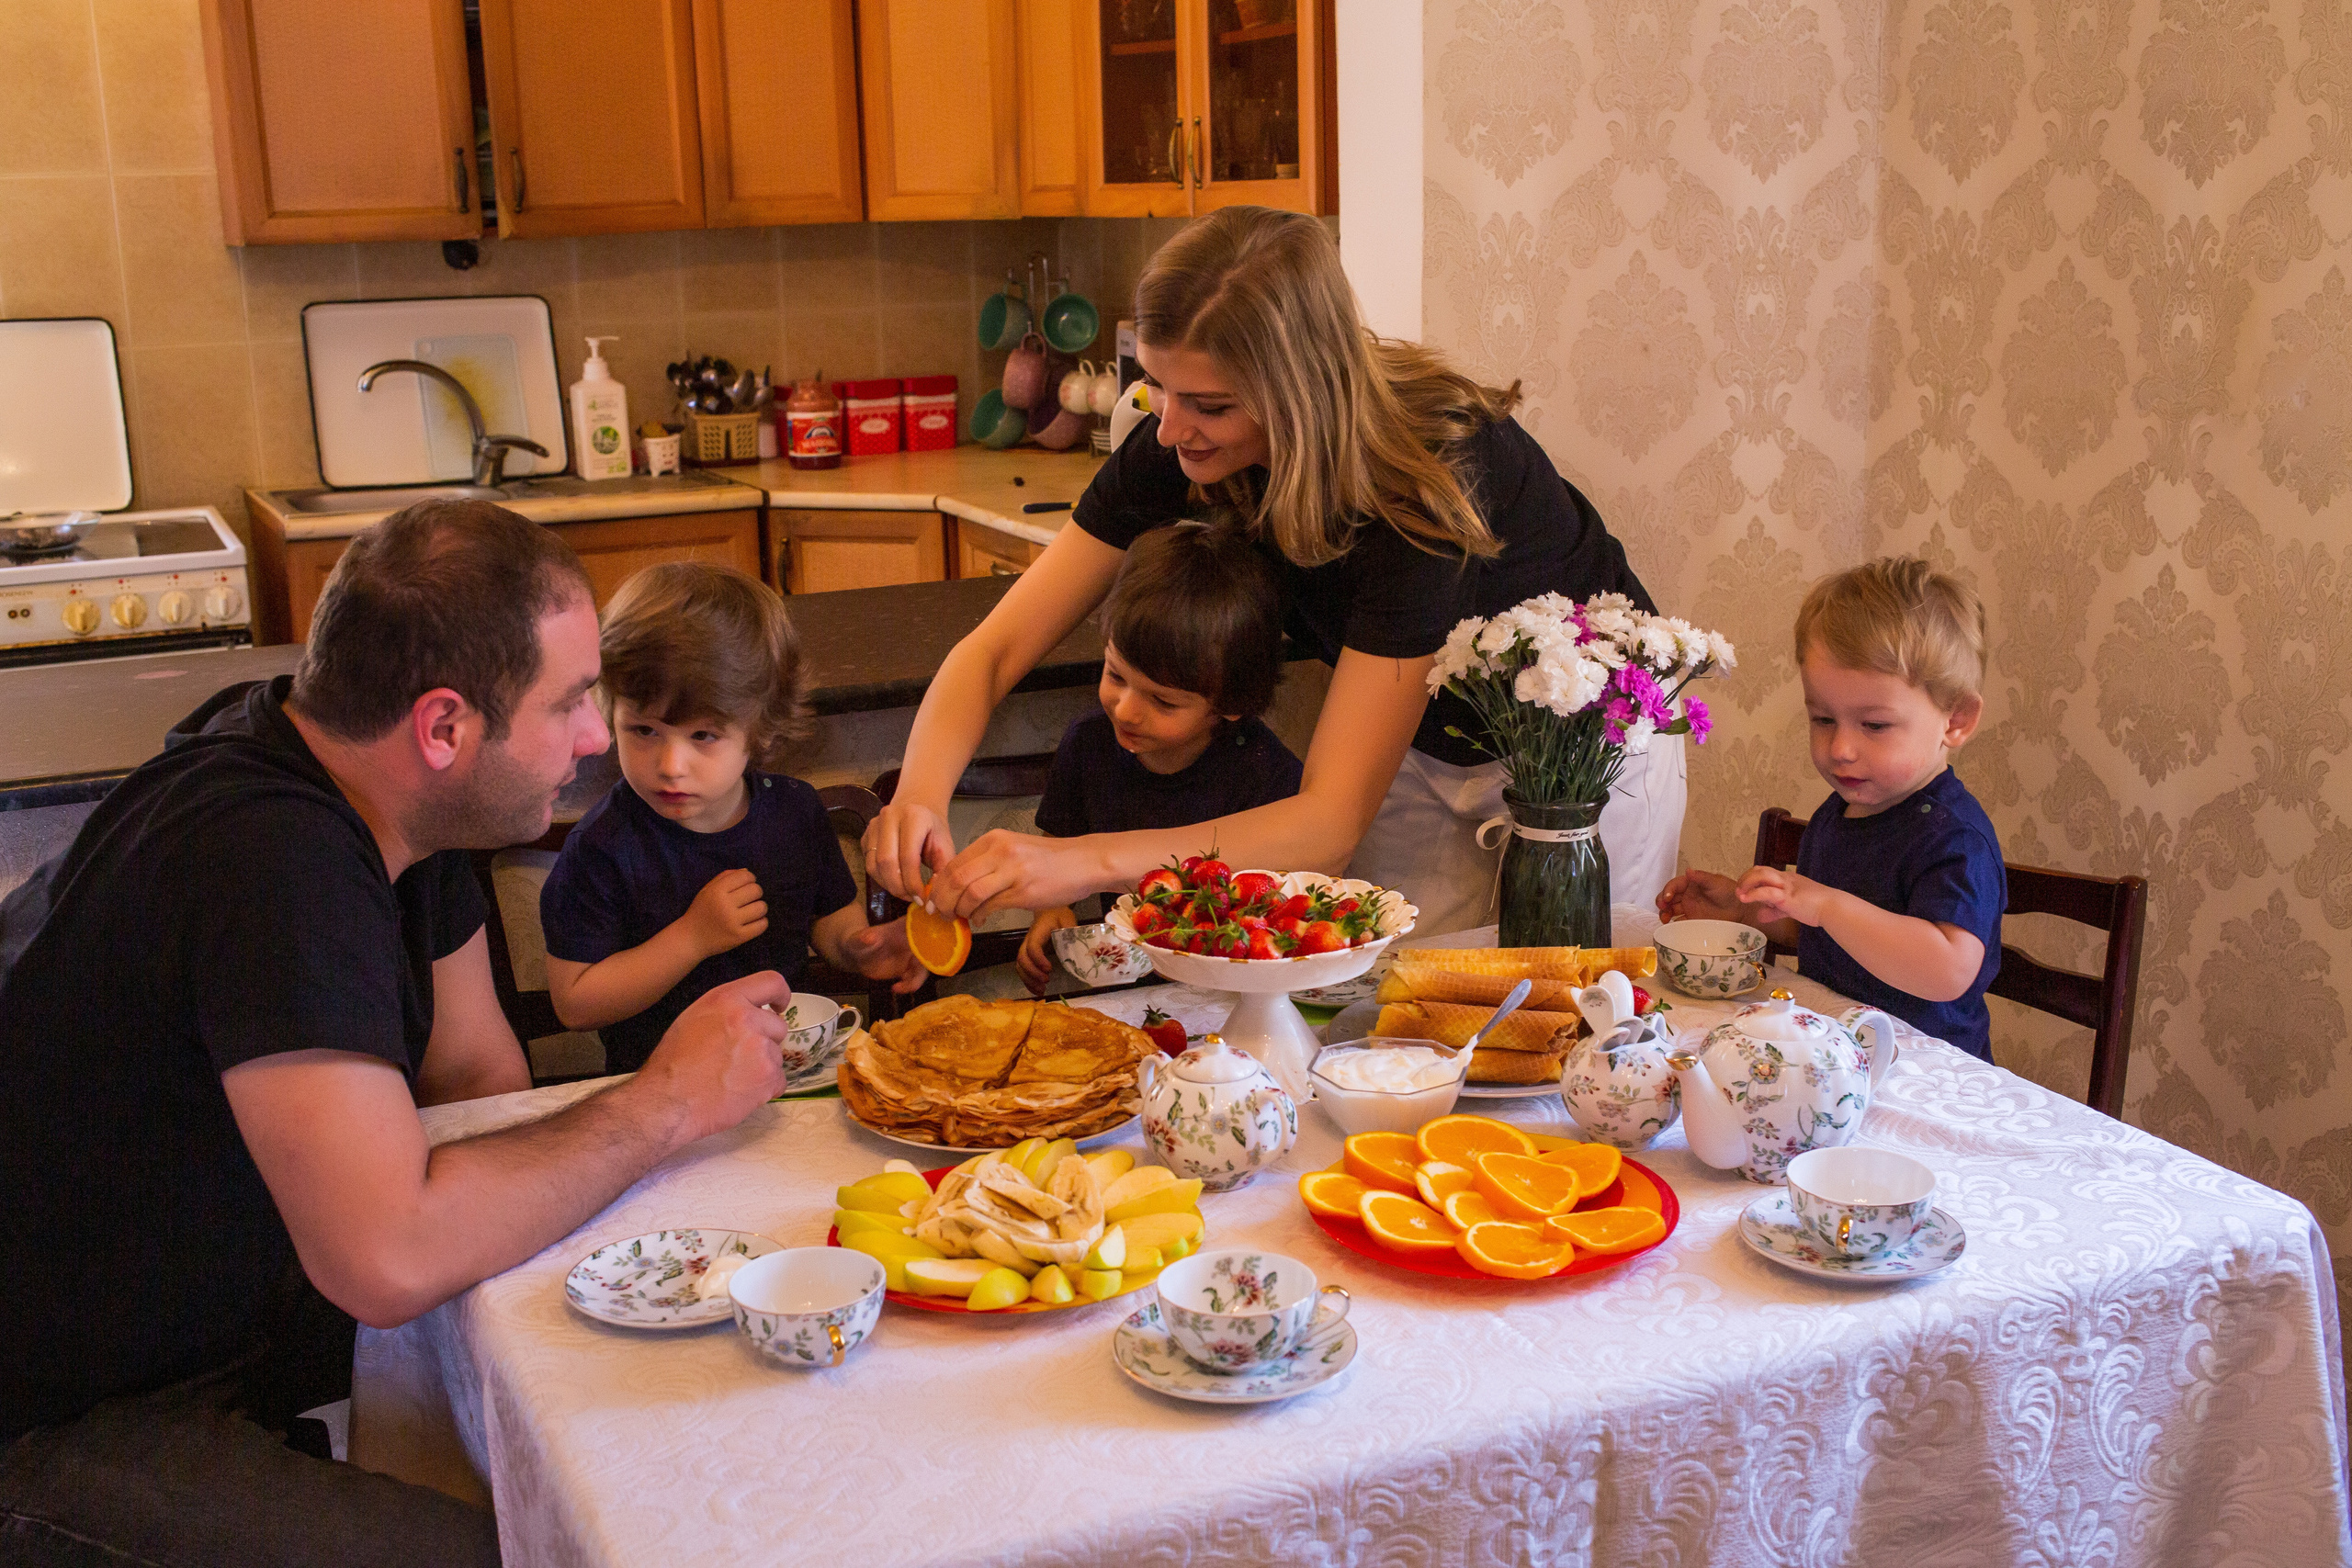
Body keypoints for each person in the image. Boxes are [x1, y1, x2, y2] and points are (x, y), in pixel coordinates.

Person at [0, 501, 795, 1566]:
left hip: (211, 1323)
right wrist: (667, 1101)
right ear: (442, 728)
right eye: (568, 704)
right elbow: (386, 1254)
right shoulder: (274, 863)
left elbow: (475, 1079)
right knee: (513, 1552)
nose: (598, 736)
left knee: (656, 1454)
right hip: (59, 1414)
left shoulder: (374, 796)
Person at [865, 206, 1680, 937]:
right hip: (1424, 745)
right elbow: (995, 650)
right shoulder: (1178, 442)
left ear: (1301, 392)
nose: (1171, 428)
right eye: (1157, 387)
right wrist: (921, 795)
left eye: (1210, 405)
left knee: (1579, 1021)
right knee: (1390, 1008)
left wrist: (1082, 859)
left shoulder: (1424, 478)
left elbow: (1327, 820)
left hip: (1589, 752)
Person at [540, 562, 923, 1069]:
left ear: (760, 731)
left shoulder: (794, 814)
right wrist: (692, 938)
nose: (670, 766)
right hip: (659, 1093)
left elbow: (833, 930)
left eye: (703, 736)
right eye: (643, 731)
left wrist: (866, 950)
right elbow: (575, 1002)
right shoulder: (602, 847)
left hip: (787, 1078)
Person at [1656, 558, 2006, 1061]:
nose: (1841, 748)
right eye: (1823, 718)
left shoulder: (1954, 837)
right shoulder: (1838, 813)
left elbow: (1946, 971)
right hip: (1835, 1056)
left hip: (1925, 1071)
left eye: (1875, 725)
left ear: (1956, 720)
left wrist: (1822, 903)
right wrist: (1748, 910)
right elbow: (1828, 937)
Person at [1014, 521, 1305, 992]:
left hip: (1236, 994)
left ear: (1230, 705)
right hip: (1131, 994)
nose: (1126, 710)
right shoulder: (1087, 745)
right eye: (1116, 675)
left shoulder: (1268, 775)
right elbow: (1058, 850)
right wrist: (1050, 911)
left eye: (1163, 701)